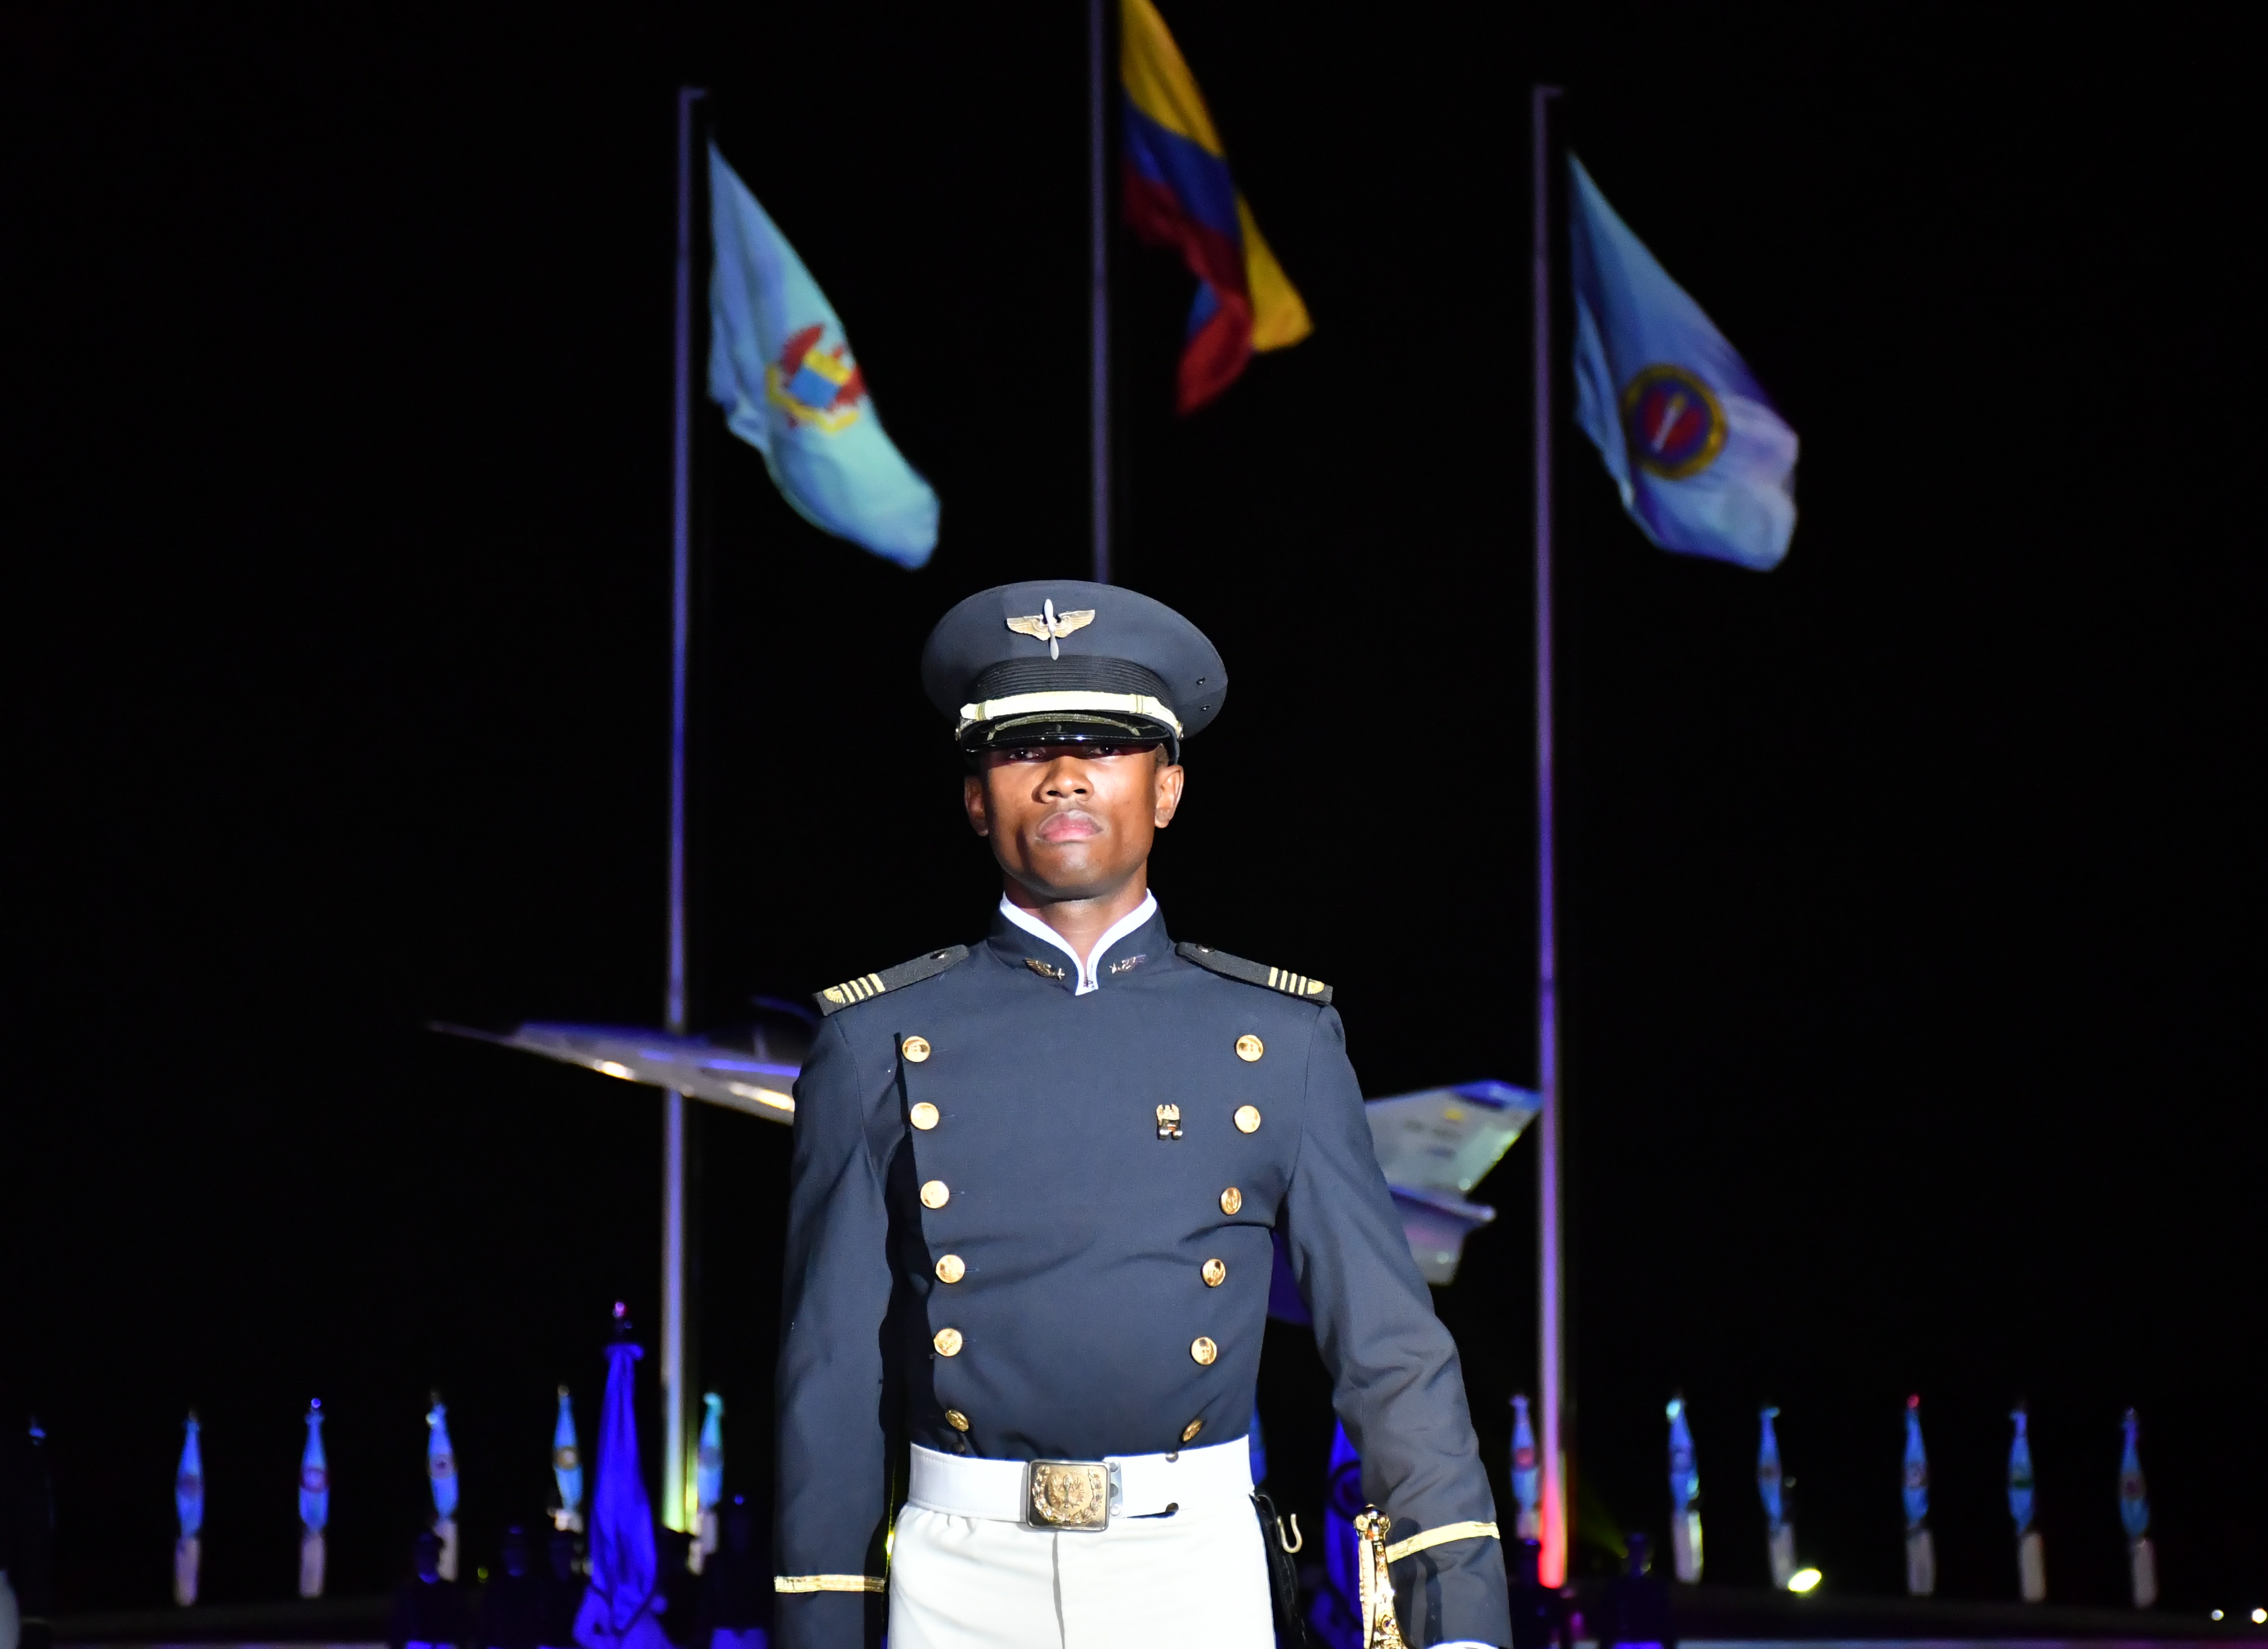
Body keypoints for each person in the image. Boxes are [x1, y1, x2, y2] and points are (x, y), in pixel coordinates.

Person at [775, 581, 1508, 1649]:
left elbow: (1390, 1350)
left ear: (1166, 789)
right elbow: (830, 1370)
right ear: (975, 796)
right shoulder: (870, 1038)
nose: (1065, 776)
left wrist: (1460, 1612)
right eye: (1025, 749)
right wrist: (821, 1626)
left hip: (1193, 1572)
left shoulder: (1280, 1039)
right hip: (955, 1576)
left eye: (1104, 747)